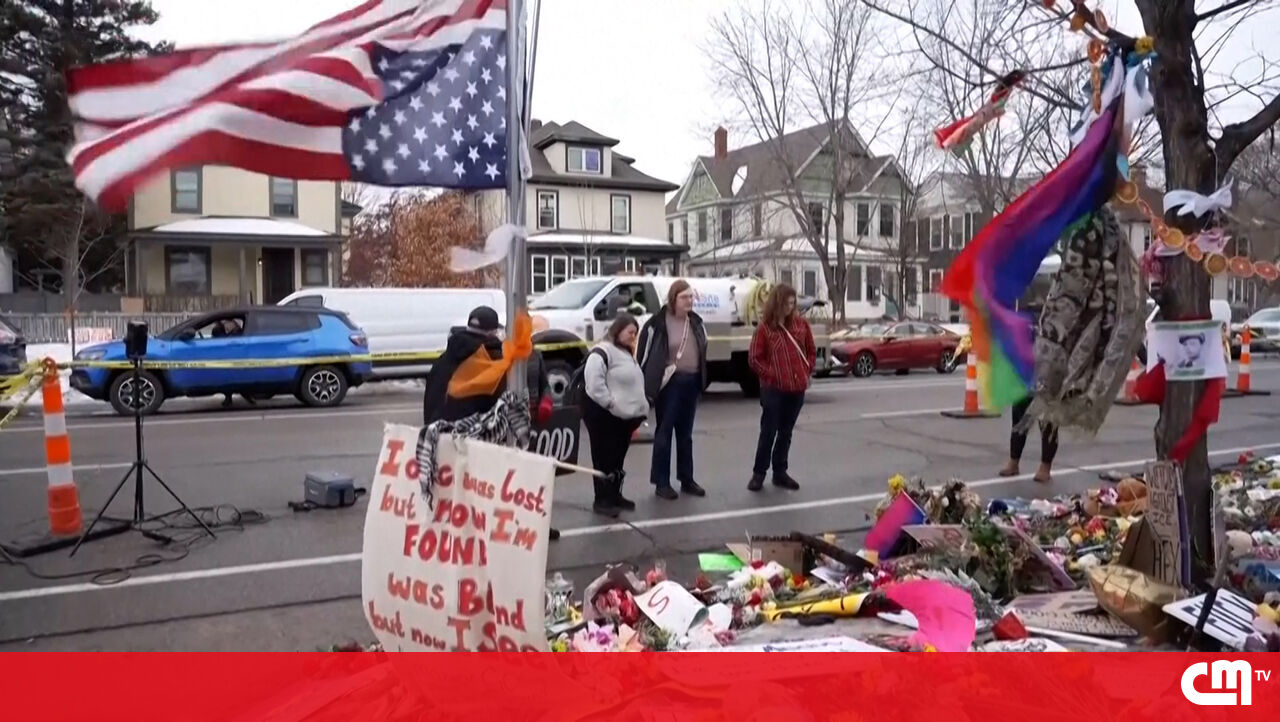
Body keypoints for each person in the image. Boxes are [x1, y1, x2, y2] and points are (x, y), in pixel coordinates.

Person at [423, 305, 561, 539]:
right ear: (495, 331)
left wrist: (432, 428)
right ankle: (513, 529)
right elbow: (502, 402)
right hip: (479, 439)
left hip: (441, 434)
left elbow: (432, 398)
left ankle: (458, 531)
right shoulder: (494, 360)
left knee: (456, 489)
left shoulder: (443, 360)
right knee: (498, 486)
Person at [637, 279, 708, 500]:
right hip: (670, 384)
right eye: (684, 297)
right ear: (673, 299)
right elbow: (644, 355)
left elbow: (703, 347)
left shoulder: (696, 322)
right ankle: (661, 482)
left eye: (691, 297)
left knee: (685, 435)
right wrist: (645, 383)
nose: (689, 301)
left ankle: (687, 479)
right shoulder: (657, 324)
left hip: (691, 382)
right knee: (665, 431)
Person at [747, 283, 815, 492]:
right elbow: (754, 358)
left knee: (786, 432)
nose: (789, 308)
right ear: (777, 304)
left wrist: (806, 370)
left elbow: (811, 351)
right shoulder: (765, 329)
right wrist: (772, 375)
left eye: (793, 304)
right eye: (786, 303)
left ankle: (780, 472)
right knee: (768, 432)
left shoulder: (801, 325)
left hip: (796, 388)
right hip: (773, 389)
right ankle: (759, 473)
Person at [582, 313, 649, 517]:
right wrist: (611, 404)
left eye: (635, 333)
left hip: (623, 419)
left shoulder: (625, 352)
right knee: (604, 459)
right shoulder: (602, 352)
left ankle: (614, 495)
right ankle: (602, 500)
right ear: (618, 330)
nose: (633, 336)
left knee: (617, 458)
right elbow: (594, 384)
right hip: (604, 417)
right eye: (630, 332)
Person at [998, 304, 1058, 483]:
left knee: (1048, 423)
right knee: (1018, 420)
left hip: (1047, 377)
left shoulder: (1055, 317)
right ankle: (1013, 462)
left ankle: (1045, 467)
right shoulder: (1022, 316)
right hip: (1024, 377)